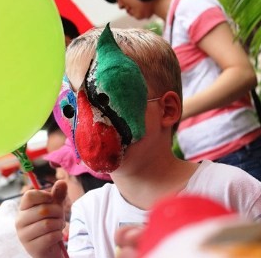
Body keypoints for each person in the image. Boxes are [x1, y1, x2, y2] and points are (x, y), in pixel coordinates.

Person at [15, 26, 261, 258]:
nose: (87, 124)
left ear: (167, 110)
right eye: (71, 109)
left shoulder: (233, 189)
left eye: (106, 97)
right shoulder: (89, 214)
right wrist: (50, 253)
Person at [99, 0, 261, 180]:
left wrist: (174, 110)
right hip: (212, 156)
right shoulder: (173, 22)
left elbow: (242, 73)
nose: (118, 4)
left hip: (236, 149)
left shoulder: (191, 4)